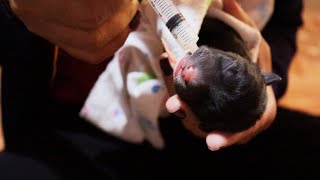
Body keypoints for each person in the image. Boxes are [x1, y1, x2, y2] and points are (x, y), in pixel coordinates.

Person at [0, 0, 302, 179]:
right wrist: (14, 8)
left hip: (224, 139)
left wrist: (265, 83)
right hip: (77, 126)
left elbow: (284, 25)